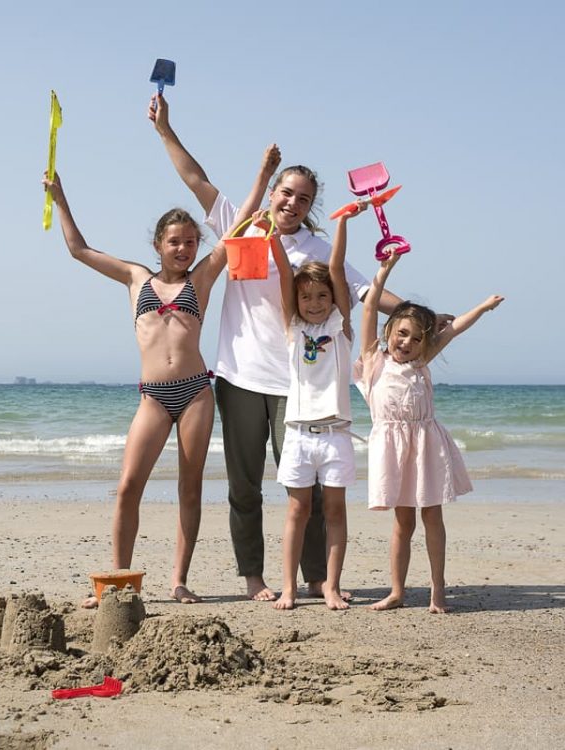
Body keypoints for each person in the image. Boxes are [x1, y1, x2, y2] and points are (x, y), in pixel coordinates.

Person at [148, 93, 404, 601]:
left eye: (303, 198)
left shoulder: (314, 249)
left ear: (312, 207)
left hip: (297, 385)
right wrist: (165, 131)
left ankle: (314, 576)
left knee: (303, 486)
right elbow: (195, 179)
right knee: (244, 486)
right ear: (272, 192)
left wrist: (413, 311)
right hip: (239, 376)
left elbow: (362, 291)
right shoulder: (238, 224)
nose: (291, 203)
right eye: (286, 192)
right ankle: (254, 577)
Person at [42, 143, 281, 606]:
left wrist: (263, 174)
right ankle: (116, 582)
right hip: (153, 396)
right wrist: (60, 198)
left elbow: (240, 224)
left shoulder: (204, 278)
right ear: (158, 245)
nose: (184, 248)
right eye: (174, 242)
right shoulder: (135, 278)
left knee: (189, 489)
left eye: (191, 242)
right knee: (129, 486)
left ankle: (178, 581)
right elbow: (78, 249)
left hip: (195, 394)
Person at [354, 249, 504, 613]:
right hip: (392, 450)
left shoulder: (422, 362)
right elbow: (370, 307)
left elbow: (453, 329)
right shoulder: (374, 361)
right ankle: (396, 591)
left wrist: (482, 307)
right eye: (402, 334)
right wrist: (384, 270)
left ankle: (438, 591)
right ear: (390, 332)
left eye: (417, 338)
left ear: (424, 343)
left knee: (432, 515)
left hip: (425, 445)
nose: (406, 343)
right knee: (402, 523)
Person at [260, 202, 369, 610]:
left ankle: (330, 585)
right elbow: (286, 274)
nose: (315, 302)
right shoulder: (294, 327)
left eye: (322, 296)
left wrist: (341, 223)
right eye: (307, 297)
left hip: (336, 435)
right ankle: (289, 587)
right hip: (299, 436)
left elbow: (337, 269)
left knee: (335, 512)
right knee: (297, 511)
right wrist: (271, 233)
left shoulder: (340, 327)